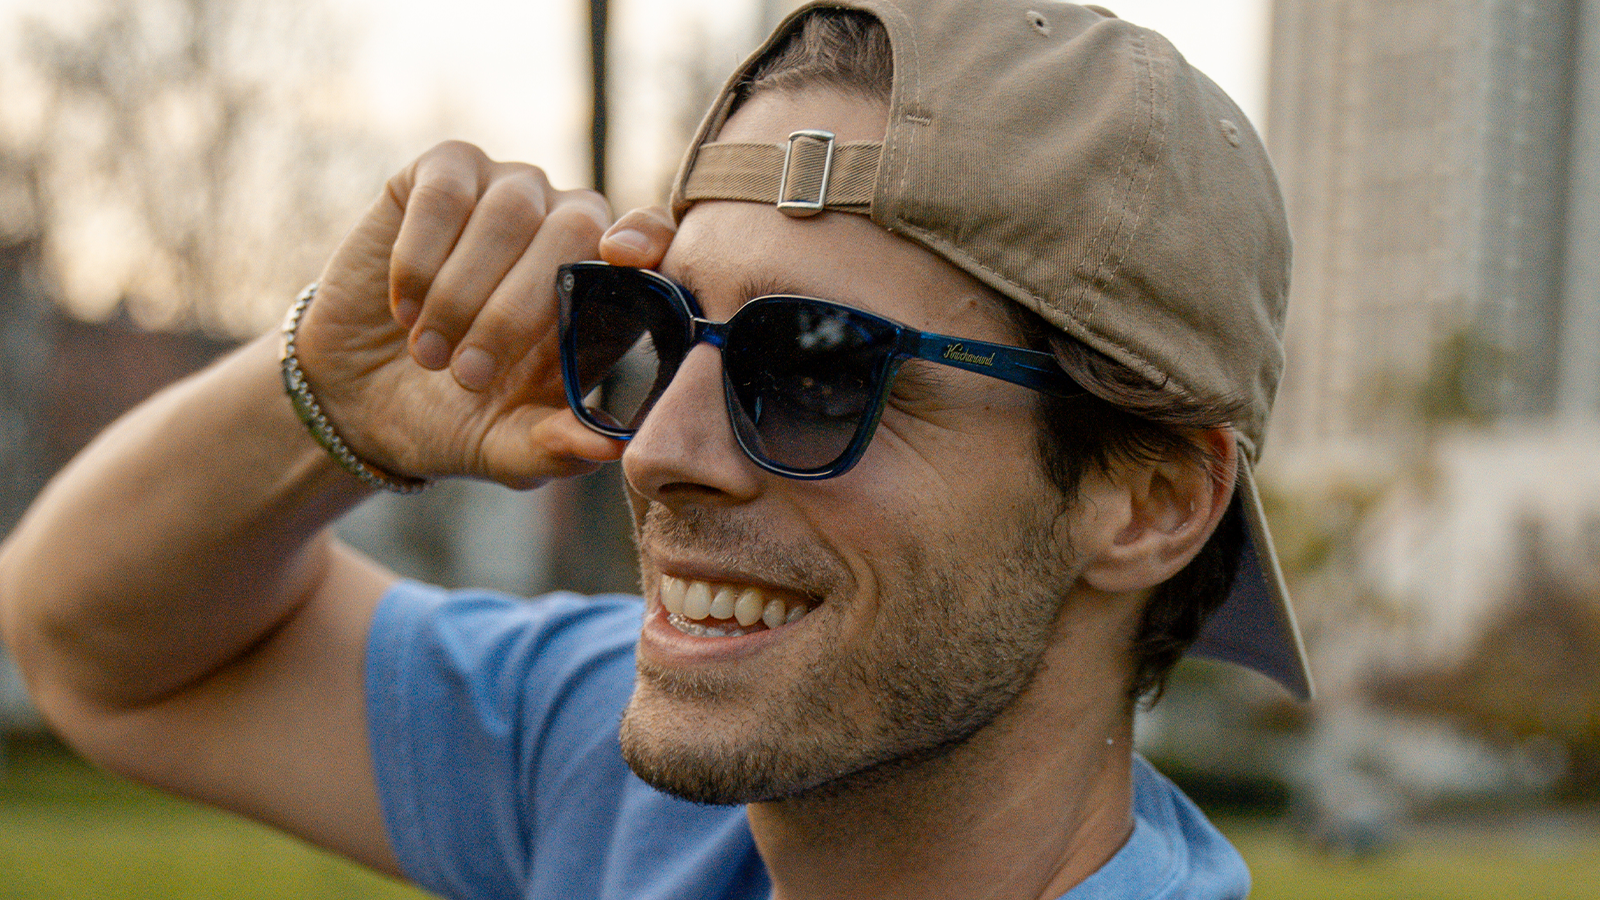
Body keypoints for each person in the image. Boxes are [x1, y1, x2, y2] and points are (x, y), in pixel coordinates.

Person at [0, 1, 1312, 897]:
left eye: (815, 368)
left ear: (1150, 502)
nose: (656, 449)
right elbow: (97, 649)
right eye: (659, 328)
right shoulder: (625, 785)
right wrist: (332, 404)